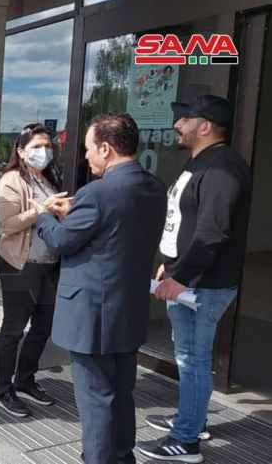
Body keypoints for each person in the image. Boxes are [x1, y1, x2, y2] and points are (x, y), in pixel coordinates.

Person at [35, 113, 166, 464]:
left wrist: (45, 214)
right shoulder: (153, 187)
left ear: (106, 148)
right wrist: (75, 212)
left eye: (89, 149)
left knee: (95, 400)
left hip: (92, 314)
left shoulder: (98, 193)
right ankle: (122, 457)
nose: (87, 156)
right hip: (128, 308)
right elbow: (113, 230)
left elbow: (62, 240)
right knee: (122, 393)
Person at [140, 96, 252, 463]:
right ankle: (192, 420)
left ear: (205, 126)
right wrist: (169, 264)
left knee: (193, 360)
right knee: (190, 357)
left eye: (184, 119)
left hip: (202, 285)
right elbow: (186, 222)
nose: (177, 125)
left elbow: (212, 232)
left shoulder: (222, 168)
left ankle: (186, 440)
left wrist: (182, 277)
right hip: (187, 278)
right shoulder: (203, 162)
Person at [0, 123, 70, 417]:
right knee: (13, 328)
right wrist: (42, 209)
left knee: (43, 327)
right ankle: (3, 388)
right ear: (22, 151)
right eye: (37, 146)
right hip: (20, 264)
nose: (44, 151)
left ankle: (25, 379)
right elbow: (8, 224)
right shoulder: (12, 179)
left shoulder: (51, 176)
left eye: (48, 146)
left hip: (51, 263)